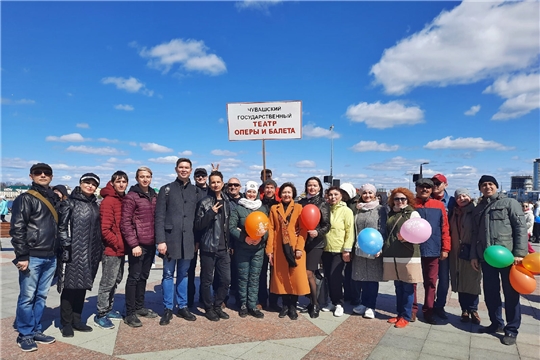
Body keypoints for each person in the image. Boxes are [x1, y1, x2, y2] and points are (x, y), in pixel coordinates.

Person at [471, 175, 528, 345]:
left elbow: (520, 228)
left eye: (490, 184)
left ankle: (511, 329)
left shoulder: (510, 203)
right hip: (487, 257)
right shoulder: (479, 207)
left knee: (511, 294)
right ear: (480, 188)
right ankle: (496, 323)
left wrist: (519, 253)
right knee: (490, 293)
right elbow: (475, 234)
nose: (487, 187)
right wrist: (474, 255)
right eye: (483, 185)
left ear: (496, 186)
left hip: (508, 257)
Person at [11, 163, 59, 352]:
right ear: (31, 176)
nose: (42, 175)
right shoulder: (26, 198)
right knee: (27, 296)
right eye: (38, 173)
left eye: (46, 173)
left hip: (50, 255)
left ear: (51, 176)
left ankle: (36, 329)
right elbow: (17, 228)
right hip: (33, 255)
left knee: (41, 296)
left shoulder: (53, 198)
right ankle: (25, 333)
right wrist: (22, 255)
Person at [57, 173, 102, 337]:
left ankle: (77, 320)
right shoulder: (70, 203)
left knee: (82, 287)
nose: (90, 186)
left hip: (91, 252)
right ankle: (66, 323)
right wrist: (66, 247)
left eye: (93, 184)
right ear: (80, 183)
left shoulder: (95, 204)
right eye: (87, 183)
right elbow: (62, 227)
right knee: (70, 288)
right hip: (74, 251)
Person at [155, 159, 198, 325]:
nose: (184, 170)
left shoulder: (195, 191)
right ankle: (167, 308)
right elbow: (159, 216)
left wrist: (197, 241)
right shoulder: (166, 189)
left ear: (191, 170)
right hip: (170, 239)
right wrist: (160, 240)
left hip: (188, 240)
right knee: (167, 274)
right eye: (181, 167)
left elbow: (197, 218)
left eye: (186, 167)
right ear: (176, 169)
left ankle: (182, 306)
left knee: (184, 274)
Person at [121, 166, 159, 327]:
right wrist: (134, 244)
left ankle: (139, 306)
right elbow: (125, 222)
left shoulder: (153, 195)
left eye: (148, 176)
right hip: (138, 245)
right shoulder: (132, 196)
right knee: (134, 278)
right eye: (142, 176)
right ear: (137, 178)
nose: (145, 179)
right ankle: (130, 313)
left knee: (143, 277)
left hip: (150, 243)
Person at [266, 182, 309, 320]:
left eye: (289, 192)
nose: (286, 195)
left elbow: (303, 229)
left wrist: (299, 248)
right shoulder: (274, 208)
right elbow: (271, 229)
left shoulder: (298, 208)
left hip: (294, 247)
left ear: (293, 194)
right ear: (280, 194)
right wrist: (270, 250)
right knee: (282, 277)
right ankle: (285, 305)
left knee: (295, 277)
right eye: (284, 192)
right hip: (279, 248)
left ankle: (293, 306)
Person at [382, 188, 423, 329]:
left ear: (408, 199)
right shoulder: (391, 214)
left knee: (408, 287)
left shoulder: (413, 214)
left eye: (403, 199)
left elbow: (420, 234)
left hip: (408, 255)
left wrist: (406, 238)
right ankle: (399, 314)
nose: (400, 201)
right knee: (398, 287)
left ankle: (406, 316)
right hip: (393, 254)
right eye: (396, 199)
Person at [194, 170, 232, 321]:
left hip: (224, 248)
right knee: (206, 279)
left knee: (225, 280)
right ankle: (208, 307)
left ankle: (218, 305)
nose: (216, 184)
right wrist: (210, 213)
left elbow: (229, 225)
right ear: (209, 184)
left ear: (223, 184)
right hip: (209, 247)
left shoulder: (227, 201)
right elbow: (197, 225)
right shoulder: (204, 202)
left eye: (218, 182)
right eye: (213, 182)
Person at [94, 171, 128, 330]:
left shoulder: (122, 199)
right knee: (108, 282)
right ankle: (101, 313)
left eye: (124, 181)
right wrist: (118, 244)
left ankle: (108, 309)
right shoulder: (109, 201)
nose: (121, 184)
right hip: (111, 250)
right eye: (118, 181)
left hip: (120, 249)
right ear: (112, 183)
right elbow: (105, 229)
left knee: (116, 280)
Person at [413, 178, 450, 325]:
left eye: (428, 188)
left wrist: (445, 248)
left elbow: (444, 227)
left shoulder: (439, 205)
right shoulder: (411, 204)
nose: (425, 190)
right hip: (413, 249)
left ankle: (428, 311)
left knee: (431, 283)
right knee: (412, 282)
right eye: (421, 187)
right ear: (417, 188)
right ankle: (412, 310)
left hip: (433, 249)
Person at [229, 180, 268, 318]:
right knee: (243, 277)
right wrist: (244, 238)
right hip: (242, 249)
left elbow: (267, 227)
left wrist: (261, 238)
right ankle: (243, 304)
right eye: (249, 192)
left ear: (257, 193)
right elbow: (231, 227)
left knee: (254, 277)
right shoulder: (238, 208)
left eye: (253, 192)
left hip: (258, 249)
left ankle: (252, 305)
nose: (251, 194)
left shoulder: (262, 208)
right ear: (245, 192)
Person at [351, 183, 387, 319]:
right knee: (361, 277)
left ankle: (371, 306)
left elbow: (383, 228)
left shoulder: (380, 209)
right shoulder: (358, 209)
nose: (367, 195)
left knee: (372, 278)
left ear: (375, 194)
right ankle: (363, 303)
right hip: (360, 247)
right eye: (364, 193)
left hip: (374, 247)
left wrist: (380, 247)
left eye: (370, 193)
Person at [298, 177, 331, 318]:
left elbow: (327, 225)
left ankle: (315, 304)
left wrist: (318, 232)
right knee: (302, 273)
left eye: (315, 185)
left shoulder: (323, 203)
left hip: (316, 243)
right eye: (309, 185)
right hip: (301, 242)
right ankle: (310, 301)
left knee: (309, 272)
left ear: (319, 188)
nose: (312, 188)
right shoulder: (300, 202)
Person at [448, 188, 481, 324]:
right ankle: (464, 310)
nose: (462, 198)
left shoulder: (476, 211)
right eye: (459, 197)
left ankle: (473, 309)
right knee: (460, 279)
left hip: (472, 251)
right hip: (456, 251)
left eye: (464, 195)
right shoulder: (454, 213)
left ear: (470, 196)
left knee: (473, 280)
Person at [321, 186, 355, 317]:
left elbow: (349, 231)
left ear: (341, 196)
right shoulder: (326, 208)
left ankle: (339, 303)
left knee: (336, 277)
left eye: (335, 194)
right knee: (328, 277)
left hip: (339, 249)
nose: (332, 197)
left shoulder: (346, 211)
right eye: (330, 195)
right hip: (326, 248)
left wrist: (347, 250)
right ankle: (332, 301)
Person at [431, 173, 456, 320]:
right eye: (433, 182)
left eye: (438, 183)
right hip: (427, 244)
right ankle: (427, 304)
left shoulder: (453, 202)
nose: (435, 185)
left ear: (445, 185)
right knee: (429, 278)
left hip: (444, 245)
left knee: (444, 278)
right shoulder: (425, 199)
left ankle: (439, 306)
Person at [187, 167, 209, 308]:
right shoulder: (191, 191)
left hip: (208, 235)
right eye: (198, 176)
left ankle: (204, 297)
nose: (200, 178)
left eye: (203, 176)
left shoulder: (212, 191)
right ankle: (189, 299)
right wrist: (195, 239)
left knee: (207, 270)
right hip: (194, 234)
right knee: (190, 269)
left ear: (206, 177)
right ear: (194, 177)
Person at [258, 178, 281, 311]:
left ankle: (274, 300)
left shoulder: (278, 204)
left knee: (274, 273)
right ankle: (262, 299)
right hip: (261, 243)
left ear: (275, 189)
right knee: (261, 273)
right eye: (267, 187)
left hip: (275, 244)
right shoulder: (258, 204)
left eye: (271, 187)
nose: (269, 190)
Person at [339, 182, 359, 304]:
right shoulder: (342, 204)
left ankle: (354, 296)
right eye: (342, 193)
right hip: (343, 242)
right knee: (345, 271)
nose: (344, 195)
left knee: (352, 271)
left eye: (346, 193)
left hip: (354, 241)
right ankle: (347, 294)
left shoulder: (356, 205)